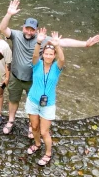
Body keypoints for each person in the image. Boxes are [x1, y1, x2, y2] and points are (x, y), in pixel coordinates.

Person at [0, 0, 99, 136]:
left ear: (36, 30)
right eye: (27, 28)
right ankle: (11, 121)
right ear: (23, 27)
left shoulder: (42, 39)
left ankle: (32, 125)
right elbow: (2, 28)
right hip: (16, 77)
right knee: (13, 99)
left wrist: (85, 44)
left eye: (32, 29)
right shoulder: (16, 35)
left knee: (33, 104)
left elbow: (63, 42)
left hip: (34, 80)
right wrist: (9, 14)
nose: (29, 31)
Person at [26, 29, 63, 167]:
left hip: (48, 104)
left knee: (44, 131)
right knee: (34, 127)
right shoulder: (37, 65)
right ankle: (37, 144)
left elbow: (63, 59)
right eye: (46, 54)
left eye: (51, 54)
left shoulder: (56, 68)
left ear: (54, 56)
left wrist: (57, 45)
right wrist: (39, 42)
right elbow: (35, 55)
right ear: (43, 55)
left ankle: (48, 153)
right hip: (33, 101)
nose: (48, 56)